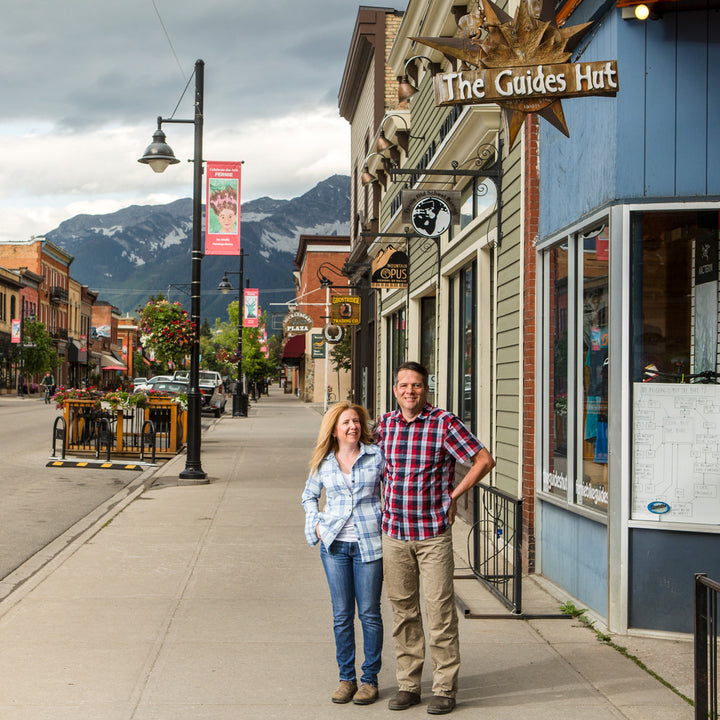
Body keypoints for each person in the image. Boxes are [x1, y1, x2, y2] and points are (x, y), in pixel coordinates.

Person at [375, 361, 495, 715]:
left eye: (416, 385)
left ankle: (444, 688)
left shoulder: (443, 422)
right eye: (403, 385)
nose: (409, 391)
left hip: (432, 535)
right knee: (403, 612)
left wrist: (453, 496)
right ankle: (409, 685)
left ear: (425, 389)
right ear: (395, 389)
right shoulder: (384, 425)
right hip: (394, 533)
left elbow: (484, 460)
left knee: (440, 612)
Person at [301, 401, 385, 706]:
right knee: (341, 615)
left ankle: (369, 680)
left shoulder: (376, 456)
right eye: (346, 423)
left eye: (356, 422)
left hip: (369, 546)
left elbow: (392, 488)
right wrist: (317, 527)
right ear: (334, 430)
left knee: (369, 614)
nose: (353, 427)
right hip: (334, 546)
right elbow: (309, 497)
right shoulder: (323, 462)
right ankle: (346, 678)